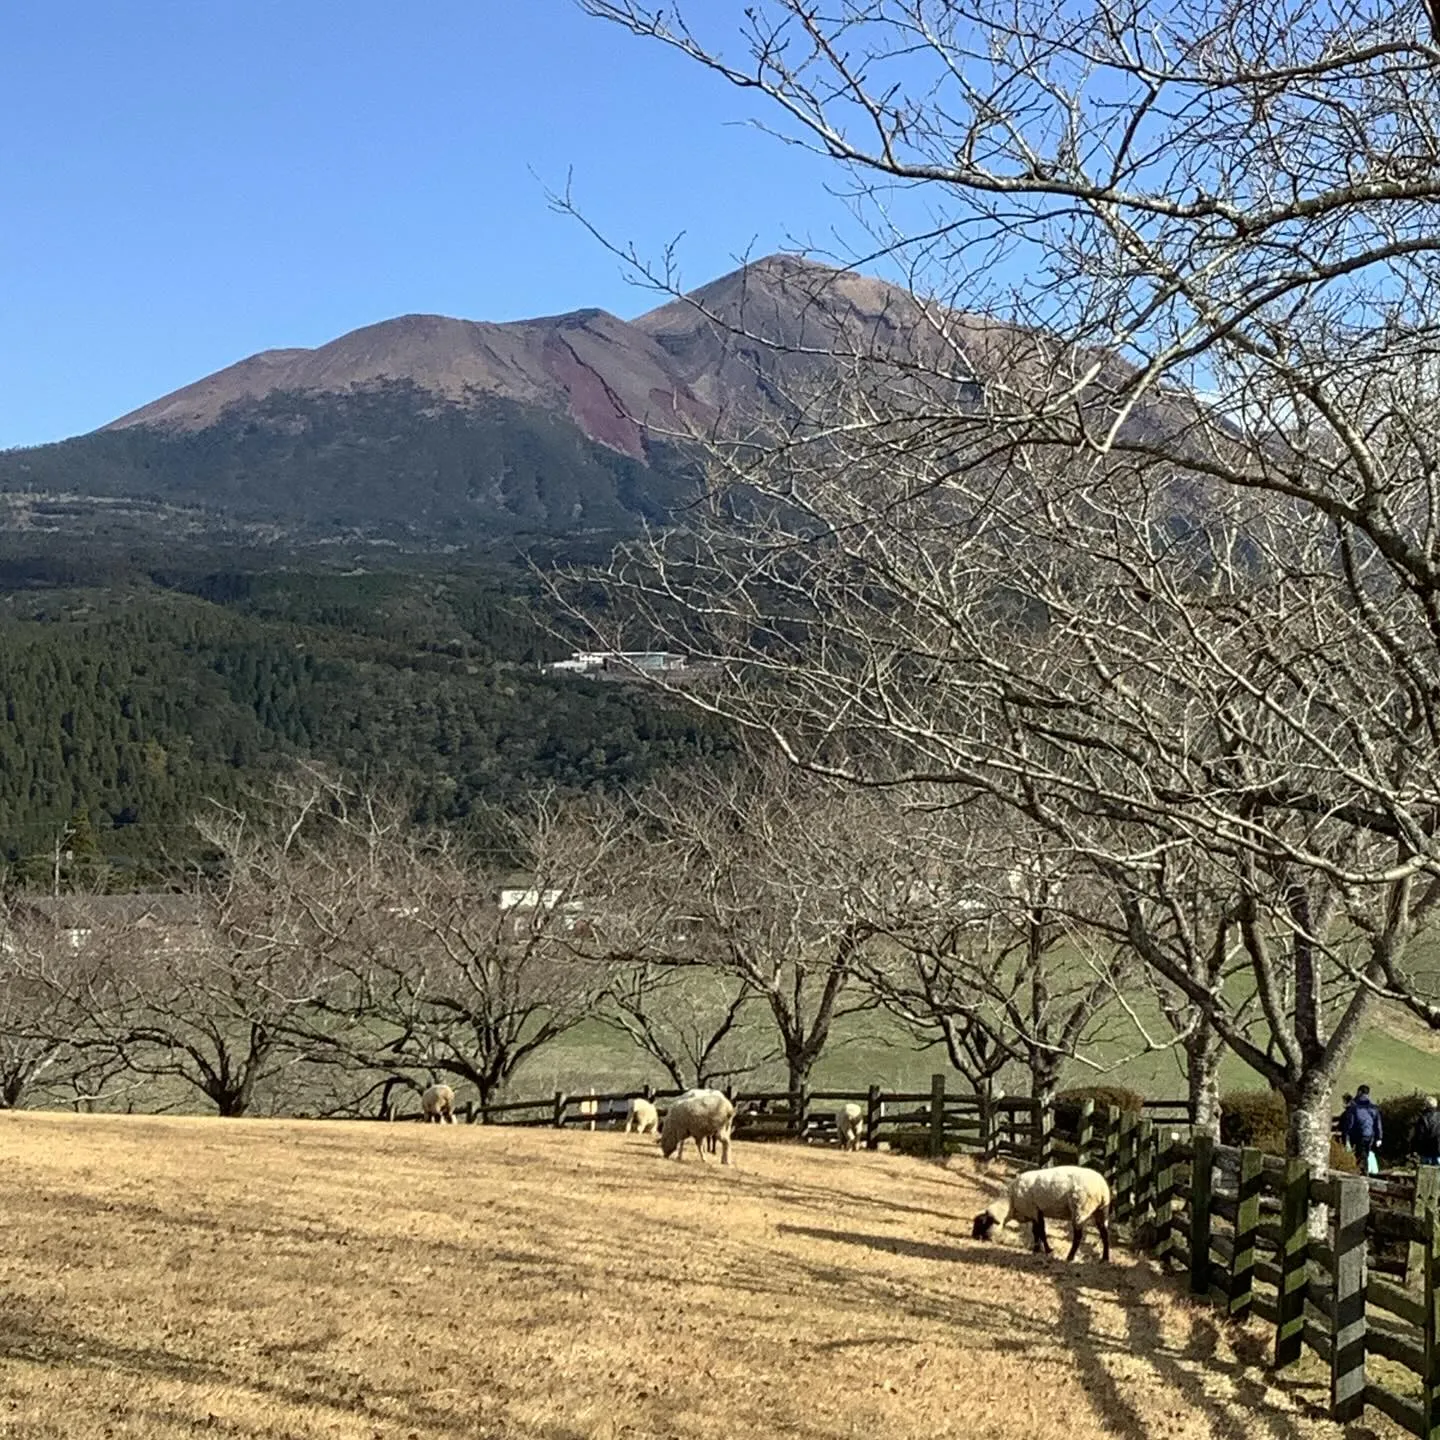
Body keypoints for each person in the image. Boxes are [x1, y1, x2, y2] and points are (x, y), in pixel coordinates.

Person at [1340, 1085, 1383, 1173]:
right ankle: (1365, 1172)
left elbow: (1349, 1124)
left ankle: (1361, 1174)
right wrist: (1379, 1137)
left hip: (1358, 1135)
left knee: (1359, 1156)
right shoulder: (1373, 1108)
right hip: (1370, 1135)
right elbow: (1377, 1123)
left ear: (1359, 1092)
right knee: (1365, 1155)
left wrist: (1346, 1136)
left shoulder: (1354, 1108)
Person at [1413, 1097, 1440, 1166]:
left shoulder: (1422, 1118)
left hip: (1426, 1149)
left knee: (1425, 1172)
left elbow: (1419, 1135)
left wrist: (1416, 1148)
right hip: (1438, 1148)